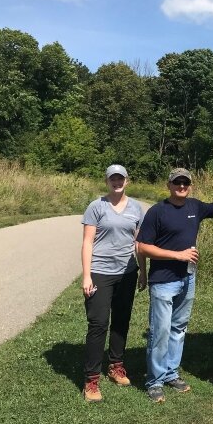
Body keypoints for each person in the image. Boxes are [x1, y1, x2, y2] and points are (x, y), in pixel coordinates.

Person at [137, 167, 213, 403]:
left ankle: (171, 373)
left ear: (189, 185)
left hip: (187, 279)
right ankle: (155, 380)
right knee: (159, 331)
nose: (181, 186)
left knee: (178, 329)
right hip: (163, 281)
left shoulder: (194, 207)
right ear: (169, 185)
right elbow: (142, 247)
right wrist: (178, 255)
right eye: (177, 182)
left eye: (185, 182)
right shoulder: (157, 212)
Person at [80, 164, 147, 403]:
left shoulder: (136, 208)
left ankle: (116, 366)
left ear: (127, 181)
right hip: (100, 271)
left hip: (127, 272)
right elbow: (88, 243)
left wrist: (142, 271)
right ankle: (91, 380)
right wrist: (86, 275)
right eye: (112, 179)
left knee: (121, 321)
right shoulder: (96, 206)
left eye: (120, 178)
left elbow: (138, 243)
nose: (117, 182)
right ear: (107, 181)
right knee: (98, 323)